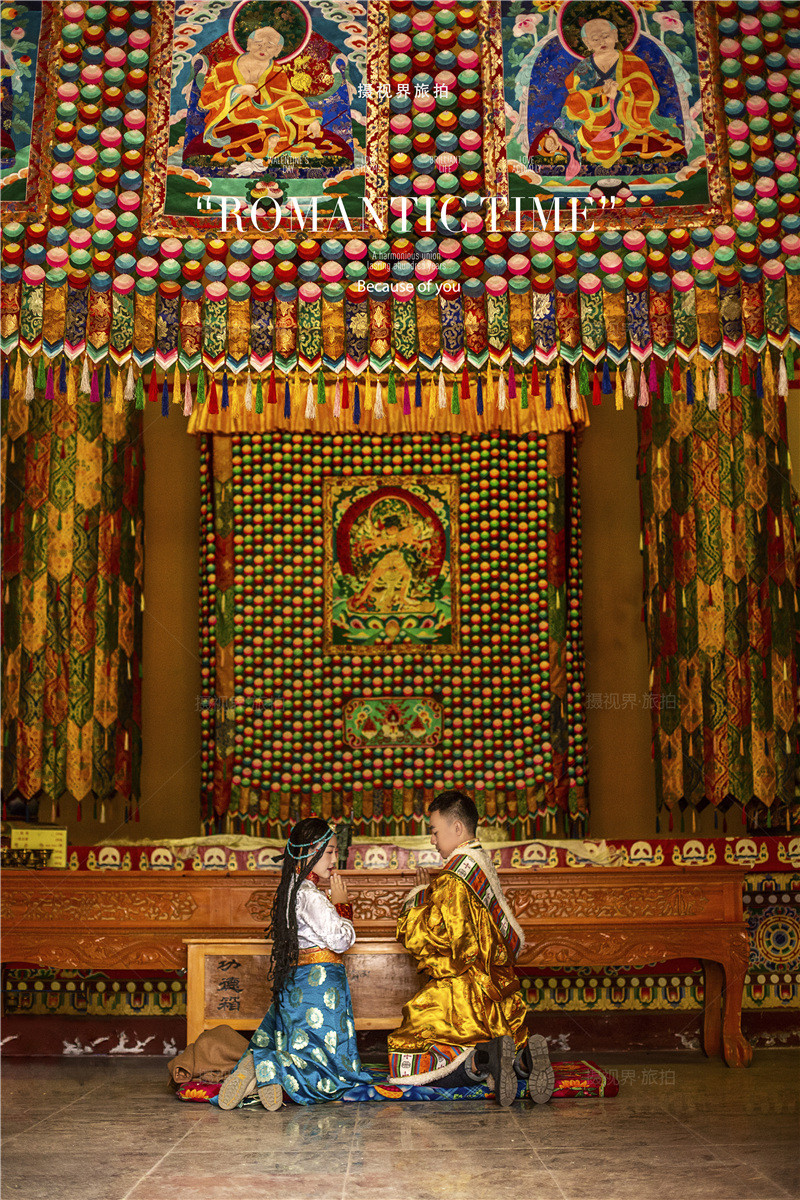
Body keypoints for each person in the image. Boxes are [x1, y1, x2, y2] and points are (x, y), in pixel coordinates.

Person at [387, 790, 554, 1107]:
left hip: (463, 995)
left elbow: (442, 940)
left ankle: (482, 1060)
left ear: (457, 828)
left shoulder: (454, 878)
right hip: (495, 993)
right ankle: (524, 1061)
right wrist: (429, 891)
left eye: (435, 831)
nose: (432, 840)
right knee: (500, 1044)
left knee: (406, 1059)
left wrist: (413, 903)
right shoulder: (480, 864)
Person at [217, 817, 371, 1109]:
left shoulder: (292, 890)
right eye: (328, 852)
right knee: (329, 1066)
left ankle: (258, 1077)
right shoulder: (311, 897)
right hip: (321, 987)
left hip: (299, 983)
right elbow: (341, 941)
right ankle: (268, 1063)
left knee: (310, 1051)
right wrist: (343, 906)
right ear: (307, 852)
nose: (334, 859)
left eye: (336, 852)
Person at [553, 17, 684, 178]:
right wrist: (598, 93)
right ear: (587, 43)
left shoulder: (633, 62)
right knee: (572, 105)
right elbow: (576, 97)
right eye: (595, 39)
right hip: (593, 121)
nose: (602, 41)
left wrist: (620, 96)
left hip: (628, 121)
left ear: (615, 35)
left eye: (606, 36)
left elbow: (646, 93)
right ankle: (564, 135)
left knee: (664, 141)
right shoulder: (584, 67)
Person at [197, 26, 347, 164]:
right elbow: (205, 98)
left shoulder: (275, 70)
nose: (263, 49)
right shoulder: (224, 67)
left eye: (269, 46)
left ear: (277, 50)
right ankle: (266, 140)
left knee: (292, 121)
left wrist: (311, 120)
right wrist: (236, 90)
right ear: (249, 44)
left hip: (267, 113)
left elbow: (289, 98)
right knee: (254, 129)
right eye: (258, 44)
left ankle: (271, 139)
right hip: (231, 116)